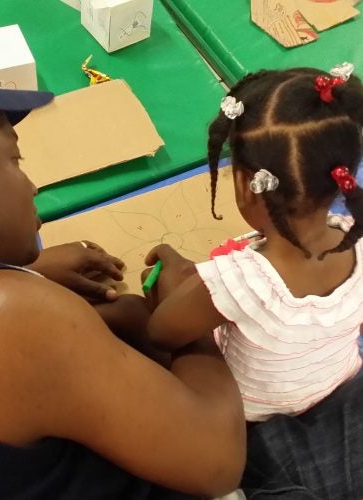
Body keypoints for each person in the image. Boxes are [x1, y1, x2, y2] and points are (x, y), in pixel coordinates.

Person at [0, 50, 246, 500]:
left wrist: (26, 271)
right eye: (15, 162)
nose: (32, 186)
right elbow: (218, 464)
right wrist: (187, 314)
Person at [143, 66, 363, 497]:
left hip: (257, 424)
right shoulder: (357, 243)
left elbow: (161, 330)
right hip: (344, 395)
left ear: (246, 185)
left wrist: (174, 273)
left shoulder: (239, 280)